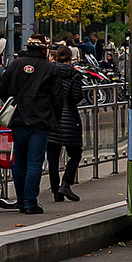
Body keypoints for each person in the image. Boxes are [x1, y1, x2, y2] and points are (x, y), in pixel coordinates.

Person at [0, 34, 61, 215]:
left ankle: (21, 199)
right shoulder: (49, 68)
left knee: (21, 161)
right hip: (40, 120)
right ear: (43, 49)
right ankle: (30, 202)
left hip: (18, 119)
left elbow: (2, 89)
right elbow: (57, 98)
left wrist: (14, 103)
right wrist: (55, 117)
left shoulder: (15, 65)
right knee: (35, 162)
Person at [47, 44, 84, 203]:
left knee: (53, 158)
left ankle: (56, 190)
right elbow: (76, 97)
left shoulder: (49, 73)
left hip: (51, 118)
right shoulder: (75, 75)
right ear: (71, 58)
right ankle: (66, 183)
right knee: (75, 154)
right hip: (69, 119)